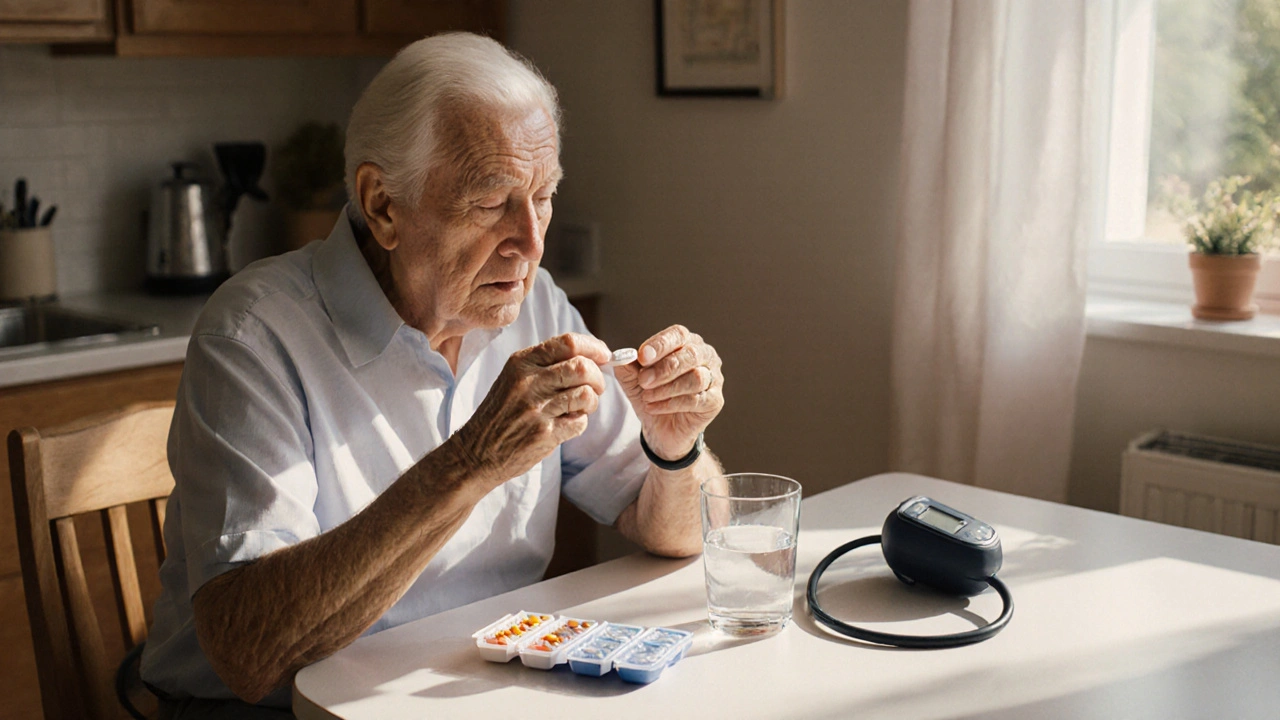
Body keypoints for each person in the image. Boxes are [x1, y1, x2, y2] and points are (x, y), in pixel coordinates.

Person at [139, 32, 726, 717]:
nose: (532, 243)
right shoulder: (253, 336)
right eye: (492, 202)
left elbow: (680, 532)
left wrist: (675, 448)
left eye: (543, 197)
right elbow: (249, 653)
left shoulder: (532, 303)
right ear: (383, 205)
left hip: (465, 692)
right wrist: (472, 461)